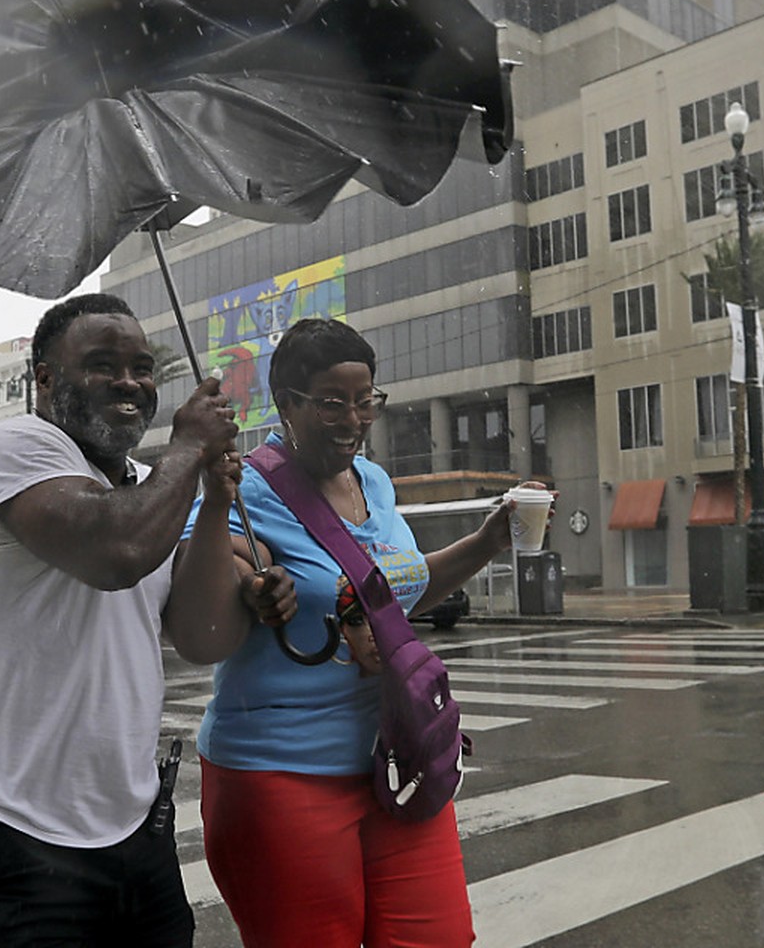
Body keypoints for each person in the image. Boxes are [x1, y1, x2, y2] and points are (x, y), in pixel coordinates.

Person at [0, 292, 292, 947]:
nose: (129, 381)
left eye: (142, 366)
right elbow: (116, 552)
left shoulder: (146, 486)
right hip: (13, 833)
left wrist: (215, 504)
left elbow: (201, 638)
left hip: (134, 827)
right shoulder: (11, 449)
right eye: (102, 364)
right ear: (42, 378)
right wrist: (188, 449)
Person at [178, 317, 524, 948]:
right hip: (281, 775)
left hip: (397, 757)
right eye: (332, 404)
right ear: (287, 403)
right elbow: (207, 596)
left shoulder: (377, 484)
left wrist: (485, 542)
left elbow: (394, 597)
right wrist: (250, 583)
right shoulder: (240, 488)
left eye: (366, 402)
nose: (354, 420)